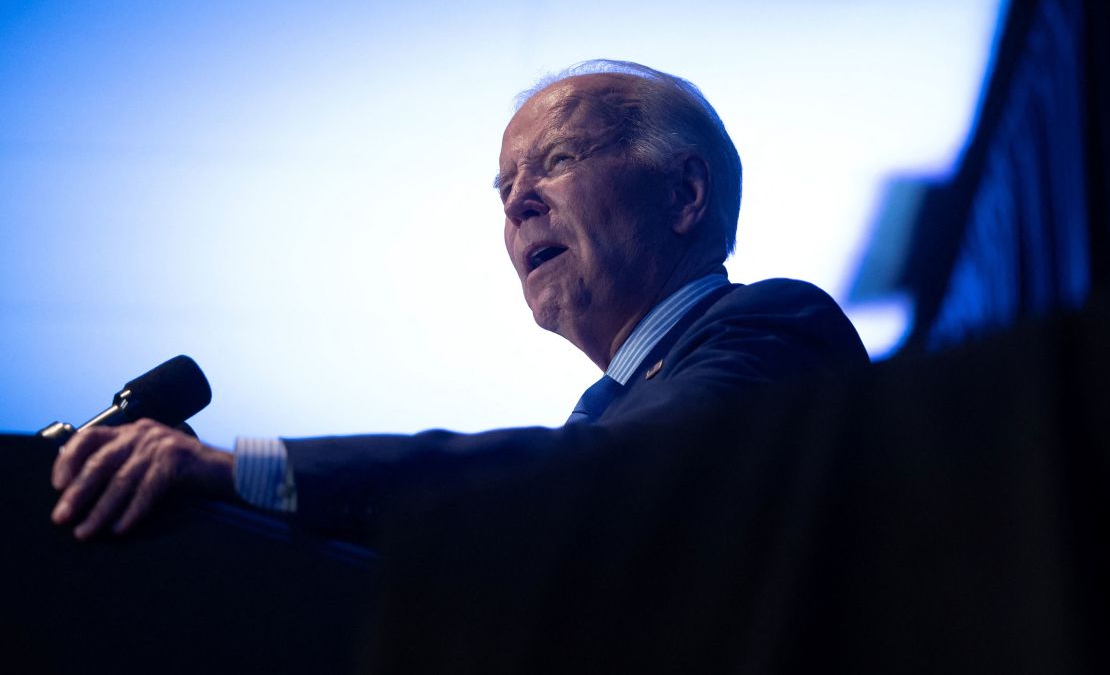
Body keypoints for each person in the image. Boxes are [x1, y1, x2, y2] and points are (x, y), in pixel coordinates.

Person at [49, 59, 869, 541]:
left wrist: (245, 472)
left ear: (685, 193)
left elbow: (592, 482)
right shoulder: (606, 406)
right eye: (505, 188)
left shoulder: (775, 329)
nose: (517, 207)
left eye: (556, 162)